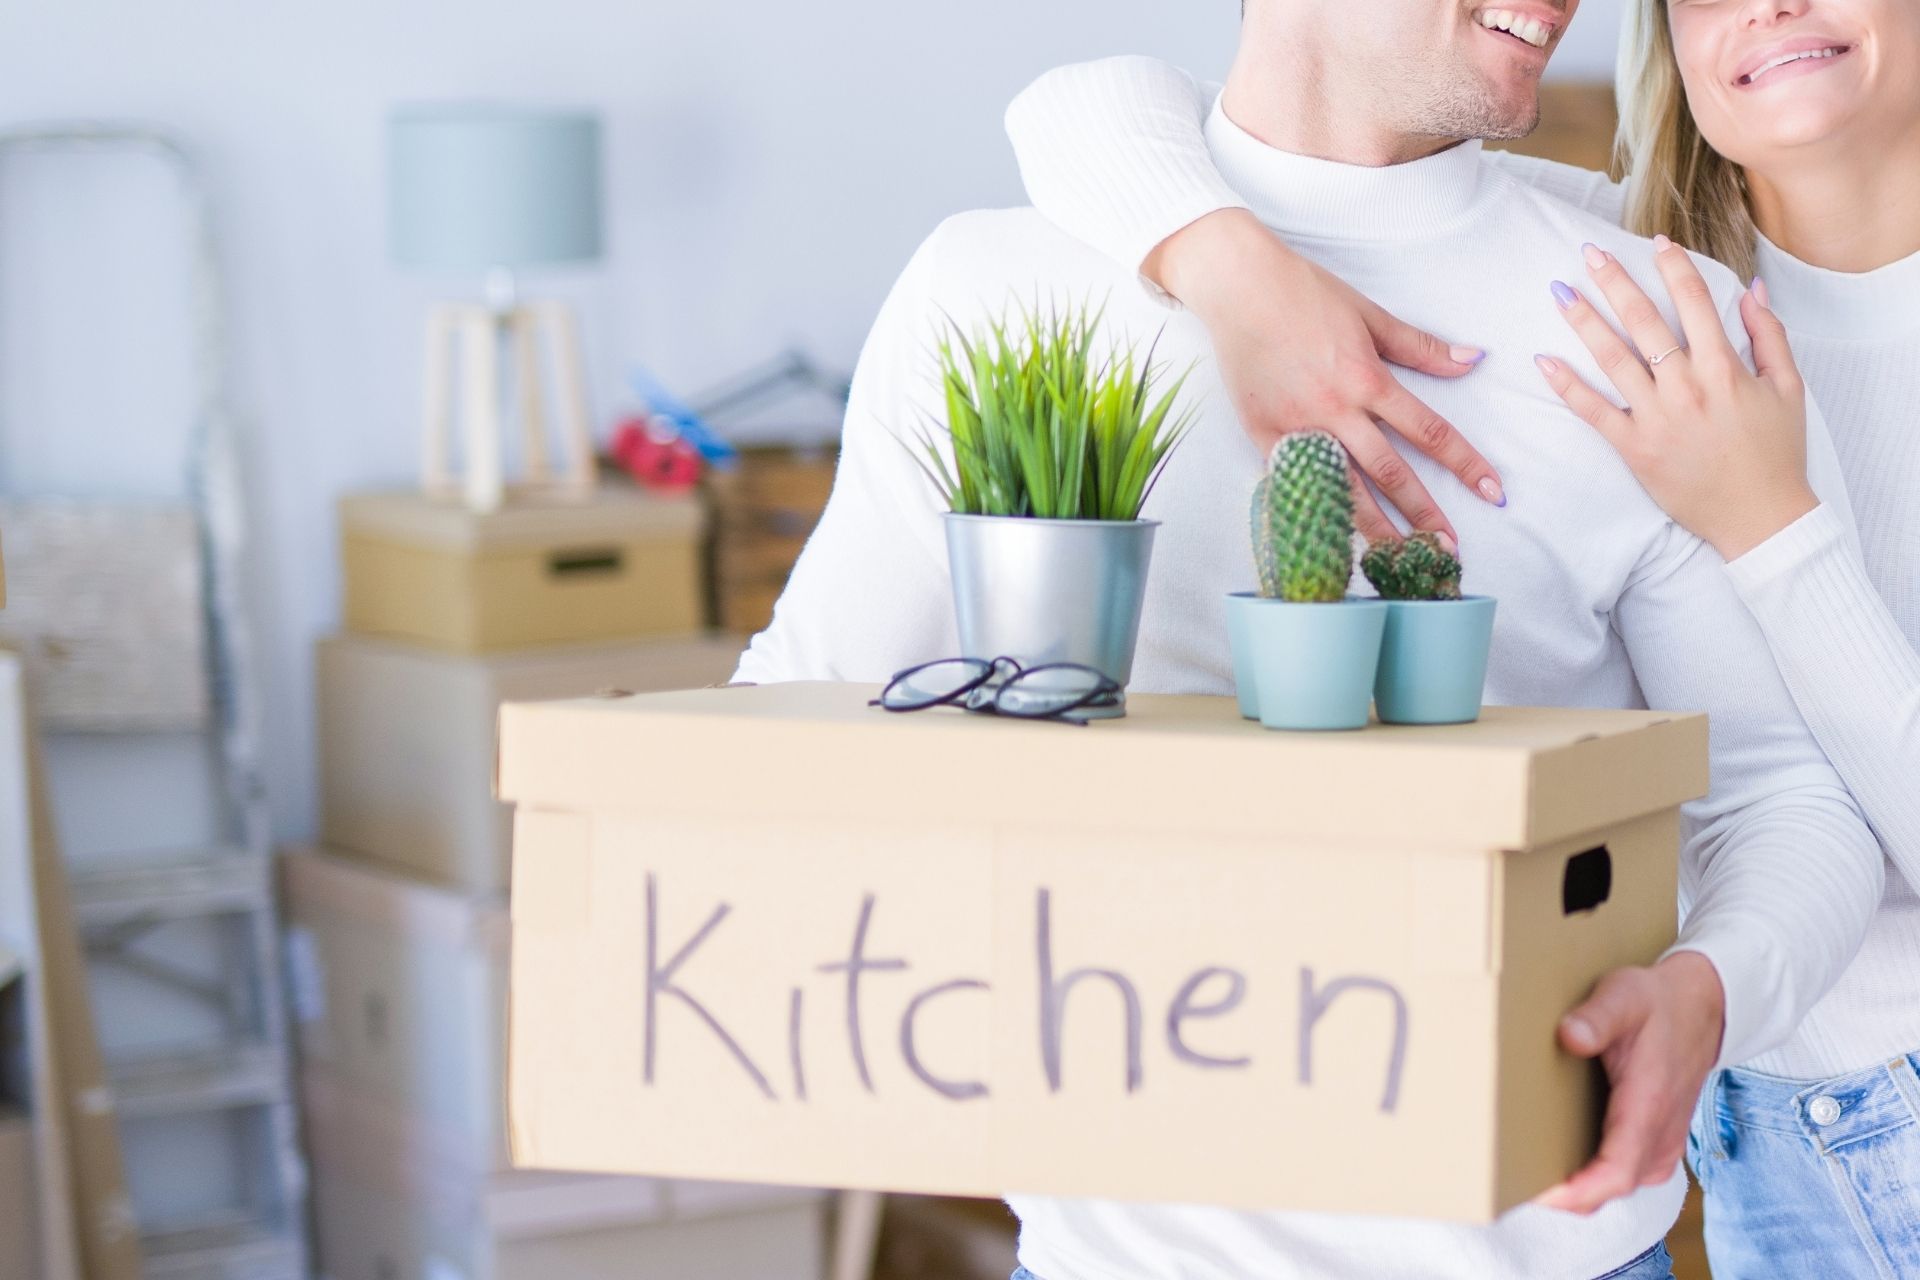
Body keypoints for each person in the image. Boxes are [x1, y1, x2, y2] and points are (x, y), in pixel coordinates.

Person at [734, 0, 1889, 1275]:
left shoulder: (1651, 320)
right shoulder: (998, 279)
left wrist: (1706, 990)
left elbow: (1786, 799)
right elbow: (794, 718)